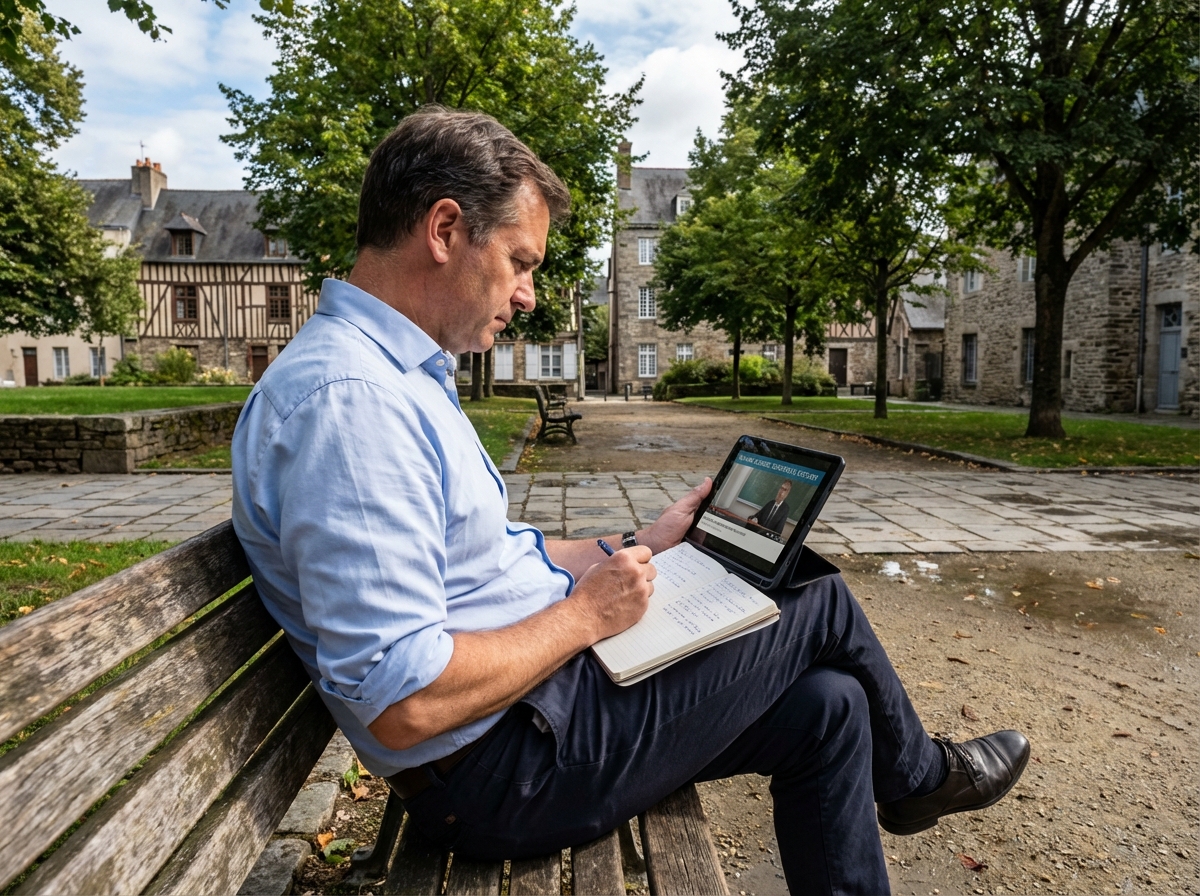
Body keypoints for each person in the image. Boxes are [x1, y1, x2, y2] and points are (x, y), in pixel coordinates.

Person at [231, 108, 1029, 896]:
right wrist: (586, 617)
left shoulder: (391, 379)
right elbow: (402, 700)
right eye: (520, 260)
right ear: (444, 230)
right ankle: (924, 777)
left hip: (529, 717)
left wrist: (637, 543)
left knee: (831, 703)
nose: (530, 294)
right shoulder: (352, 403)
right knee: (818, 600)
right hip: (499, 773)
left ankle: (911, 788)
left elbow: (491, 559)